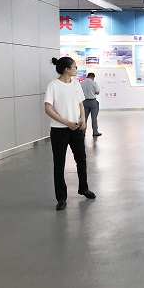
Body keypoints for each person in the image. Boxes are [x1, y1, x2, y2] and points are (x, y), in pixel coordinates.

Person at [44, 57, 96, 211]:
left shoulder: (76, 84)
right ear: (67, 69)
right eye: (74, 66)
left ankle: (84, 188)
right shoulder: (53, 85)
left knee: (81, 159)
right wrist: (66, 122)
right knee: (59, 163)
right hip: (59, 130)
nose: (76, 69)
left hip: (77, 129)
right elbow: (48, 108)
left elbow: (80, 104)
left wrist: (83, 120)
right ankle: (61, 198)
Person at [81, 72, 102, 137]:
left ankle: (83, 132)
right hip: (93, 102)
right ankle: (95, 131)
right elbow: (97, 92)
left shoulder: (81, 83)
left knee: (84, 118)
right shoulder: (94, 83)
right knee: (94, 118)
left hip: (84, 102)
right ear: (93, 77)